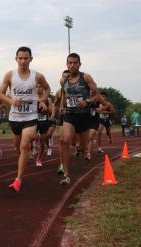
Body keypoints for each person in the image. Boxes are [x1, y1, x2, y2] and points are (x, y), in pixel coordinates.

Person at [0, 46, 50, 192]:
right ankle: (24, 159)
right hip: (15, 117)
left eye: (26, 58)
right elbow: (0, 94)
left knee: (24, 145)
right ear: (16, 59)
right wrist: (11, 101)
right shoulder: (10, 75)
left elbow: (47, 88)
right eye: (20, 58)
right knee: (18, 148)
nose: (23, 61)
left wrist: (42, 100)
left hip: (31, 116)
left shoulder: (37, 76)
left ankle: (18, 179)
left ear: (31, 59)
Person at [59, 53, 99, 185]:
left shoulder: (86, 77)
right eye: (70, 62)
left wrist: (87, 102)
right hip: (69, 115)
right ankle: (66, 174)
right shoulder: (64, 80)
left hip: (84, 116)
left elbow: (97, 96)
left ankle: (81, 149)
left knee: (83, 147)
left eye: (75, 62)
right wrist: (61, 106)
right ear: (66, 64)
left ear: (79, 64)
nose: (72, 65)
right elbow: (64, 93)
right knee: (64, 140)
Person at [35, 82, 52, 167]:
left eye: (40, 87)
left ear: (43, 89)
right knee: (30, 137)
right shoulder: (33, 98)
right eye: (37, 87)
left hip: (44, 122)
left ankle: (38, 159)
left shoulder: (48, 99)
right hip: (34, 121)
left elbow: (50, 112)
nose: (38, 88)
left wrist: (46, 106)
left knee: (42, 143)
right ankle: (32, 148)